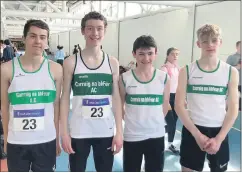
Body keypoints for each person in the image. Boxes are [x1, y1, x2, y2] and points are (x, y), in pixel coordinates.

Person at [60, 11, 123, 172]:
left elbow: (116, 99)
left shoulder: (112, 63)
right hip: (79, 131)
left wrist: (119, 132)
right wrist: (64, 133)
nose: (95, 33)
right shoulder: (71, 62)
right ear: (82, 31)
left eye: (99, 29)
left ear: (105, 30)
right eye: (90, 28)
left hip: (105, 131)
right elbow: (65, 98)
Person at [175, 24, 239, 172]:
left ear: (220, 42)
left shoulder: (231, 72)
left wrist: (219, 138)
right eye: (205, 41)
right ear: (198, 44)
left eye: (214, 40)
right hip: (193, 129)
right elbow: (179, 105)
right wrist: (196, 134)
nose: (210, 44)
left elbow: (233, 108)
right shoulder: (187, 70)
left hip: (219, 130)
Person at [0, 19, 62, 172]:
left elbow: (56, 106)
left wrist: (57, 139)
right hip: (17, 141)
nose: (38, 41)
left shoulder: (56, 69)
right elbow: (4, 106)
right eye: (33, 36)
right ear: (24, 38)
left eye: (42, 37)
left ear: (47, 41)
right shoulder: (7, 69)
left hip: (46, 140)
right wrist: (7, 138)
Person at [119, 35, 170, 172]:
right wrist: (132, 121)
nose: (146, 58)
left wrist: (154, 121)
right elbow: (120, 106)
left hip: (156, 135)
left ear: (156, 53)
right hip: (132, 135)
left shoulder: (163, 77)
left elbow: (165, 105)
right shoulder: (125, 78)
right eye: (141, 54)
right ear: (134, 54)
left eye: (150, 54)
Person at [160, 47, 180, 155]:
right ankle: (155, 136)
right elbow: (162, 86)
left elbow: (179, 85)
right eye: (173, 54)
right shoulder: (164, 69)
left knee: (174, 122)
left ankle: (170, 143)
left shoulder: (177, 68)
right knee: (171, 123)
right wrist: (165, 101)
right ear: (168, 55)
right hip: (167, 98)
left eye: (177, 54)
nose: (175, 56)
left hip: (176, 98)